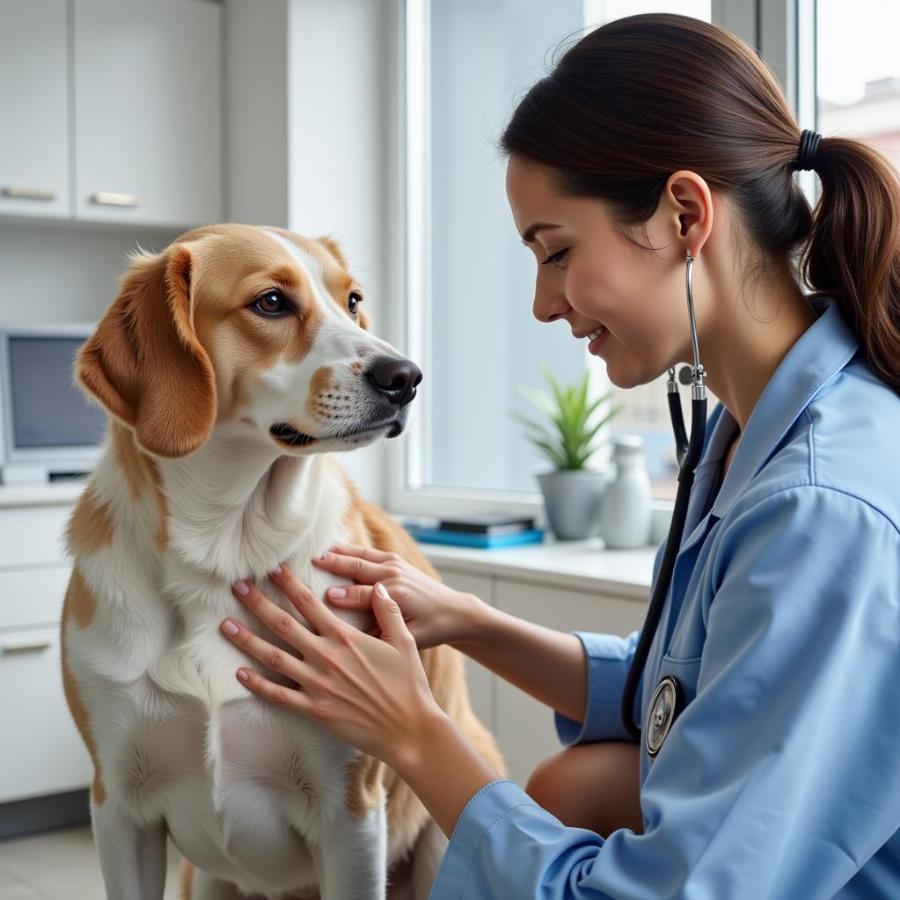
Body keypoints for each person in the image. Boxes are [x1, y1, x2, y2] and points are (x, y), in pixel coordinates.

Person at [218, 13, 900, 898]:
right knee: (572, 785)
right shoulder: (746, 437)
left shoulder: (818, 507)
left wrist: (417, 735)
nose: (545, 304)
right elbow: (685, 691)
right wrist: (468, 619)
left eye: (558, 252)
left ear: (685, 214)